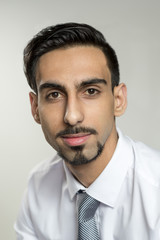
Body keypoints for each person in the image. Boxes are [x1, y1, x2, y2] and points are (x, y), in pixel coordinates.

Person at [15, 22, 160, 240]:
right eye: (54, 94)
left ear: (118, 100)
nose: (72, 116)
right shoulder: (38, 185)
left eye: (90, 91)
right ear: (35, 108)